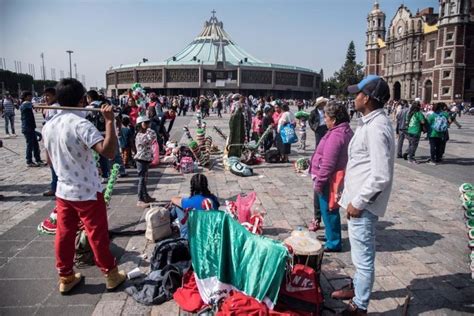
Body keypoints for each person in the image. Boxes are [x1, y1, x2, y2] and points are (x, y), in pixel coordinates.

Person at [42, 78, 126, 294]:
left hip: (64, 190)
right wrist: (109, 122)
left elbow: (49, 160)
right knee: (97, 234)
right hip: (86, 191)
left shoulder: (49, 125)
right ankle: (111, 274)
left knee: (65, 233)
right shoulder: (81, 124)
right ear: (82, 100)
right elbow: (108, 152)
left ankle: (66, 276)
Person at [334, 75, 394, 315]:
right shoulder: (370, 122)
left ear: (367, 98)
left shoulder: (377, 127)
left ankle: (360, 305)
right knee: (359, 253)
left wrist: (358, 202)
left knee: (364, 257)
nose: (354, 97)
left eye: (357, 94)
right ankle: (357, 287)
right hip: (356, 199)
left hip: (364, 205)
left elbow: (381, 174)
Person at [309, 101, 353, 250]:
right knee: (329, 209)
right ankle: (330, 234)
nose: (324, 119)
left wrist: (319, 183)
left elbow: (328, 163)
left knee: (329, 209)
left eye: (326, 116)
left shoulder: (336, 135)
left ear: (334, 119)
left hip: (329, 179)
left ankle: (333, 242)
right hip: (333, 177)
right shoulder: (343, 130)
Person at [170, 174, 220, 238]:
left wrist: (179, 199)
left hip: (191, 238)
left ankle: (165, 222)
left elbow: (173, 199)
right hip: (210, 234)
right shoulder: (213, 198)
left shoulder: (189, 201)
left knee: (178, 207)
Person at [134, 115, 157, 207]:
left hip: (146, 158)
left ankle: (145, 196)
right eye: (146, 123)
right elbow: (152, 137)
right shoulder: (140, 135)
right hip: (141, 159)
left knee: (145, 178)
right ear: (140, 124)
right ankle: (140, 199)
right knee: (142, 179)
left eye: (148, 122)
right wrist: (149, 129)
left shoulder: (145, 133)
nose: (148, 124)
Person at [20, 91, 45, 167]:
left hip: (31, 127)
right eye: (29, 96)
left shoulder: (27, 104)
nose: (30, 98)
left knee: (35, 145)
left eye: (31, 96)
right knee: (30, 145)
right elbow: (36, 106)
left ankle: (38, 160)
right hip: (27, 128)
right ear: (25, 97)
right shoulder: (25, 104)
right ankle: (29, 161)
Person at [42, 88, 60, 196]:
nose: (46, 98)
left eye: (48, 95)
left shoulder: (55, 107)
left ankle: (55, 187)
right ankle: (55, 186)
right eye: (45, 96)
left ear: (55, 96)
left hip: (54, 140)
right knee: (53, 164)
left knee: (53, 164)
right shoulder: (51, 107)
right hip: (51, 140)